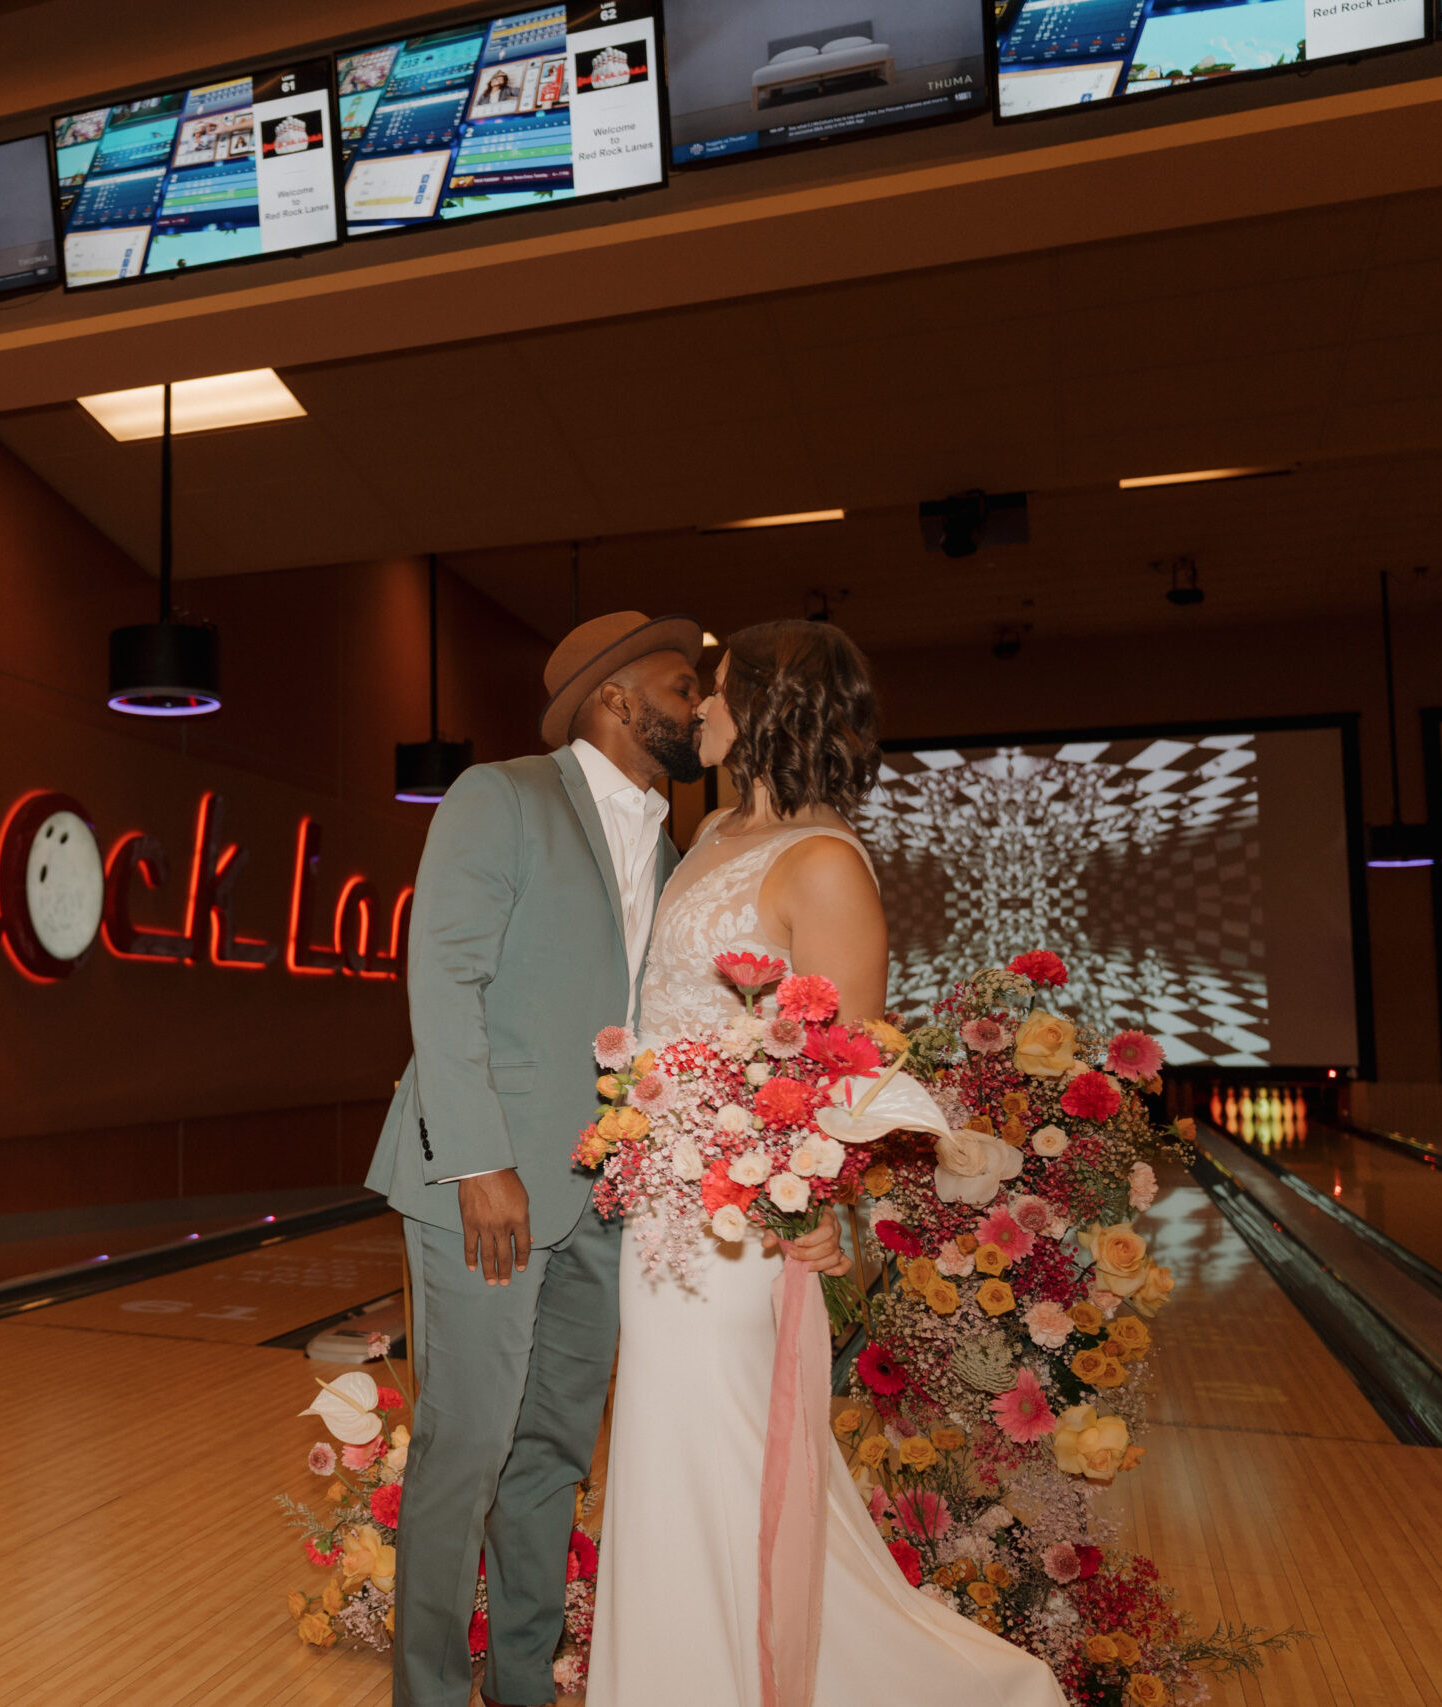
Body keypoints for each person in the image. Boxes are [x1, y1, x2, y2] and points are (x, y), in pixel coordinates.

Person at [367, 613, 844, 1707]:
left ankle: (523, 1683)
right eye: (684, 686)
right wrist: (477, 1162)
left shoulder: (683, 848)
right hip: (484, 1186)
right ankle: (428, 1695)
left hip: (610, 1196)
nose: (699, 707)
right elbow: (443, 981)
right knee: (467, 1446)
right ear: (615, 699)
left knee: (549, 1456)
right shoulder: (504, 797)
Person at [585, 621, 1065, 1706]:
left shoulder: (824, 862)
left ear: (759, 706)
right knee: (668, 1462)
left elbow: (845, 1069)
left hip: (741, 1223)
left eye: (710, 692)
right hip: (661, 1206)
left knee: (715, 1460)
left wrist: (810, 1203)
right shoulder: (705, 837)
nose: (694, 709)